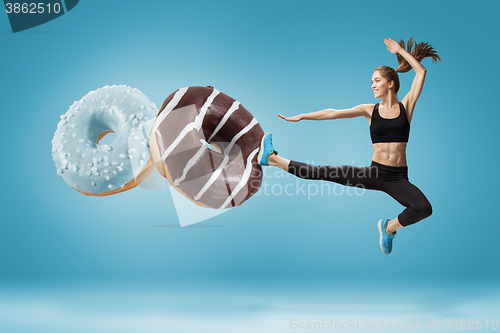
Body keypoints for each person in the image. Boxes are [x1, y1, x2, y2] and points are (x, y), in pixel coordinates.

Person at [256, 37, 441, 254]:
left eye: (377, 80)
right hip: (375, 172)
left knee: (424, 208)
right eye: (371, 81)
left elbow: (421, 73)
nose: (372, 85)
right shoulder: (369, 110)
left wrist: (399, 49)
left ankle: (388, 227)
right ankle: (271, 159)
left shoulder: (406, 106)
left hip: (398, 178)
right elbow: (333, 113)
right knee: (320, 172)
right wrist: (303, 116)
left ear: (390, 83)